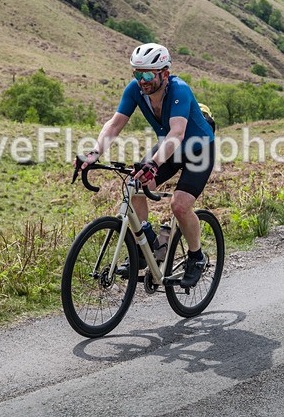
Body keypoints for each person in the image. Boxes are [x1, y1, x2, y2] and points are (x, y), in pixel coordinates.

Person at [76, 43, 215, 288]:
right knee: (135, 184)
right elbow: (114, 124)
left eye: (148, 75)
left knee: (179, 205)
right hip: (169, 150)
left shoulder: (180, 90)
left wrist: (154, 163)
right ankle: (146, 245)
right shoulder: (135, 90)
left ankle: (196, 257)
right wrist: (94, 152)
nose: (143, 81)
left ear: (165, 73)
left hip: (198, 151)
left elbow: (177, 133)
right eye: (137, 74)